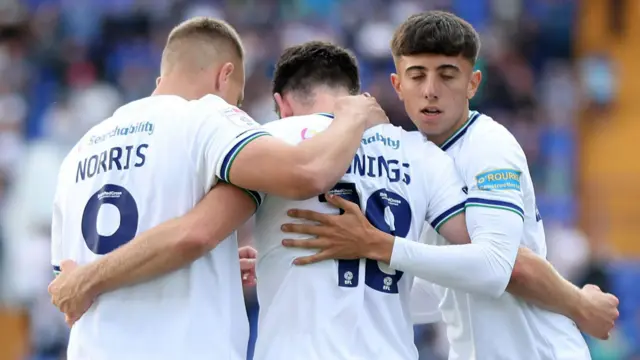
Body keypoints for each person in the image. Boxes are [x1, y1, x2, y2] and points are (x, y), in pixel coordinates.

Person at [52, 40, 616, 359]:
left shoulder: (268, 145)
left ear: (281, 103)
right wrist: (575, 302)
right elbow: (498, 264)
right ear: (357, 93)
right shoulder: (421, 155)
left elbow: (192, 231)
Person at [280, 11, 618, 359]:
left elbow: (498, 268)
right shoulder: (415, 158)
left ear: (473, 83)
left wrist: (379, 244)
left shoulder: (488, 146)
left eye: (447, 75)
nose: (430, 91)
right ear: (397, 86)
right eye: (417, 75)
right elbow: (439, 291)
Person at [48, 17, 386, 360]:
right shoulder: (207, 116)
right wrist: (352, 116)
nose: (236, 109)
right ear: (224, 76)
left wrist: (212, 267)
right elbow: (308, 173)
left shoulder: (79, 151)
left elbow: (70, 293)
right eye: (237, 100)